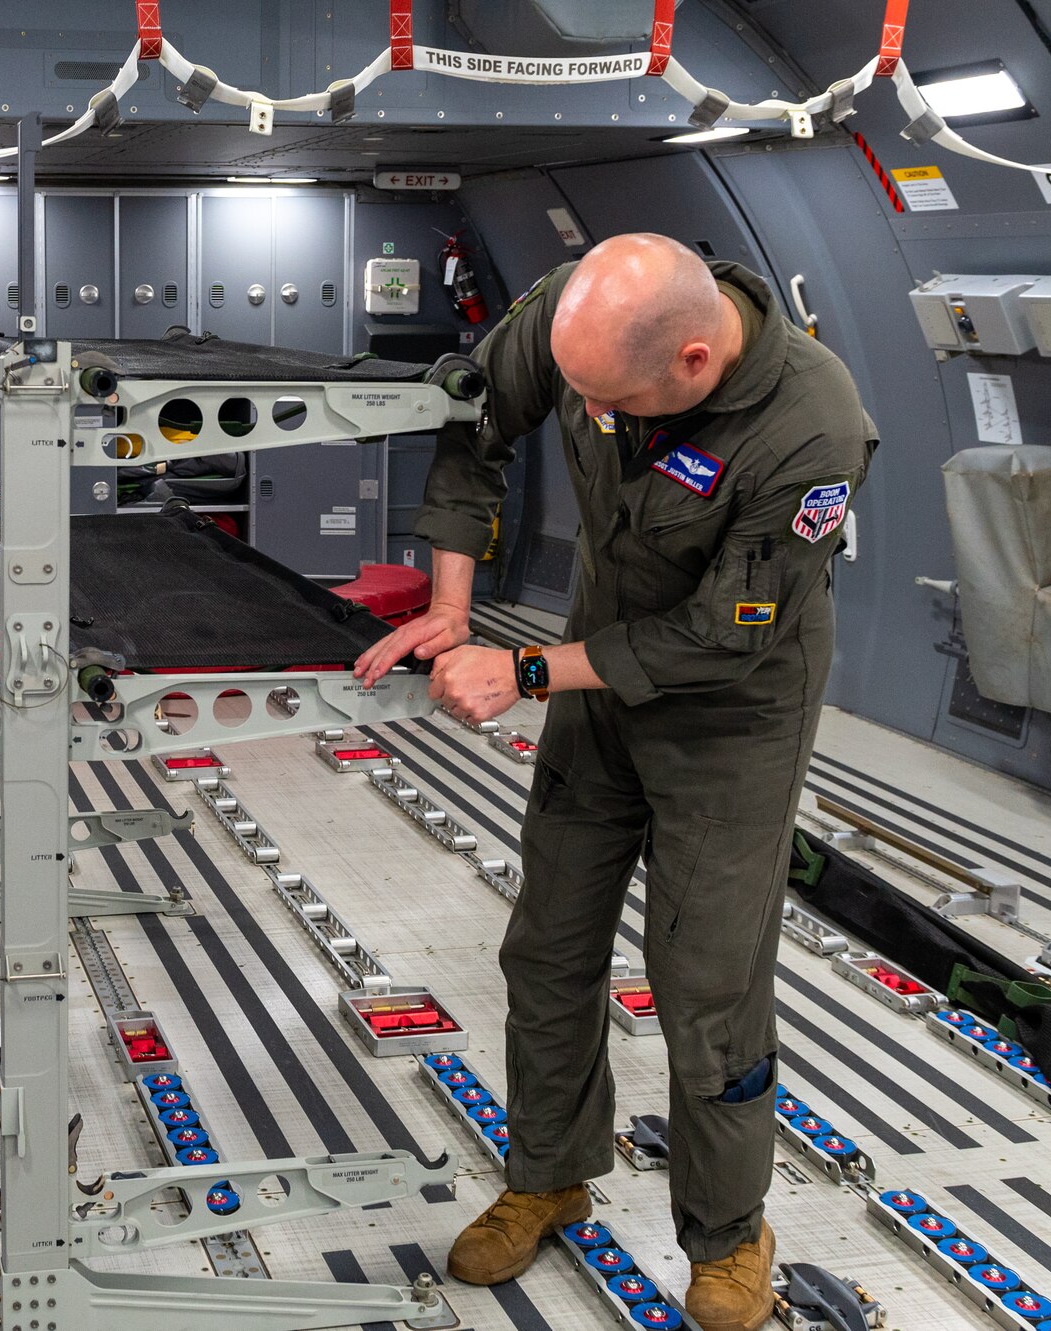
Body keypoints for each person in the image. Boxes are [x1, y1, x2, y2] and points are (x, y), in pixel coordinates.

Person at [355, 234, 876, 1331]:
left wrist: (528, 668)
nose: (595, 416)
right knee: (547, 942)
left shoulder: (808, 429)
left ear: (694, 362)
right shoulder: (580, 316)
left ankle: (729, 1234)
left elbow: (713, 637)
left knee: (705, 984)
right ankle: (546, 1173)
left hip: (732, 710)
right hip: (597, 681)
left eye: (613, 403)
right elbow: (475, 426)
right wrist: (453, 603)